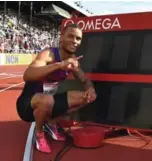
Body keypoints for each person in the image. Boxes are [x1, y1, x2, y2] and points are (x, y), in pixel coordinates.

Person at [16, 24, 97, 153]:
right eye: (71, 36)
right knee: (47, 100)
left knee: (88, 98)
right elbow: (27, 75)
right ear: (61, 37)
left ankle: (51, 123)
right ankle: (39, 134)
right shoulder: (48, 54)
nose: (75, 41)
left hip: (49, 101)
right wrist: (59, 65)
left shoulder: (73, 62)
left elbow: (85, 80)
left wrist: (90, 88)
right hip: (27, 106)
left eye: (78, 38)